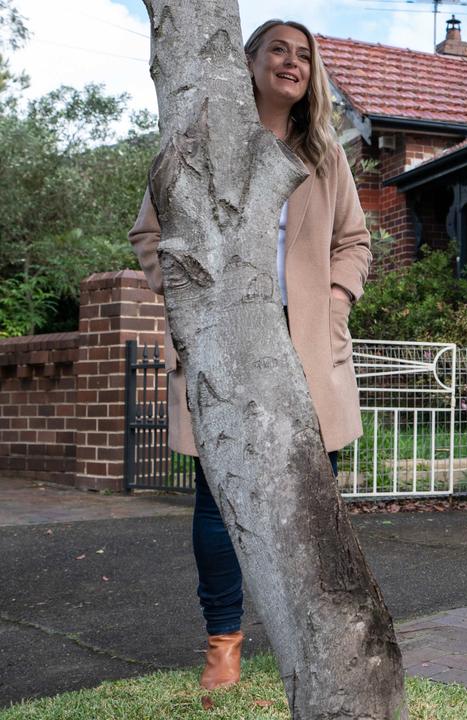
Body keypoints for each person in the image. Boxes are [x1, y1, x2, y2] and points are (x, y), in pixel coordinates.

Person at [129, 19, 371, 691]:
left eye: (303, 55)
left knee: (310, 499)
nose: (292, 63)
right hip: (223, 339)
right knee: (219, 495)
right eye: (278, 51)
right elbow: (150, 236)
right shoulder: (200, 144)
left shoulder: (325, 152)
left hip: (306, 345)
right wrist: (185, 302)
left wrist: (335, 303)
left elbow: (354, 241)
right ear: (249, 62)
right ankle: (223, 644)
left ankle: (315, 636)